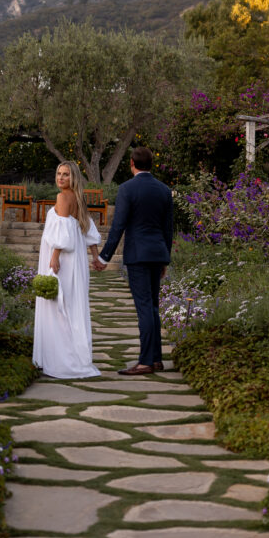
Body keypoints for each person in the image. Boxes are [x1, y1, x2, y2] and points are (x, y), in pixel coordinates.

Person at [94, 146, 173, 375]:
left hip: (138, 256)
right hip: (157, 253)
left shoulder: (127, 189)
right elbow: (168, 229)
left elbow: (118, 226)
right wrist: (165, 260)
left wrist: (103, 256)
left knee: (145, 308)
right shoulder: (164, 190)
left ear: (131, 163)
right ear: (151, 164)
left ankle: (147, 361)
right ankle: (156, 359)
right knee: (153, 306)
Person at [33, 161, 102, 379]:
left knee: (59, 305)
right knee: (72, 306)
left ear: (73, 178)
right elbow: (89, 231)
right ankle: (75, 355)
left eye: (65, 175)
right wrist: (95, 256)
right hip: (77, 259)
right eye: (58, 173)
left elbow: (62, 233)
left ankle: (62, 359)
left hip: (64, 259)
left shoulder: (63, 197)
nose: (61, 178)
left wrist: (54, 258)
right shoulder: (78, 197)